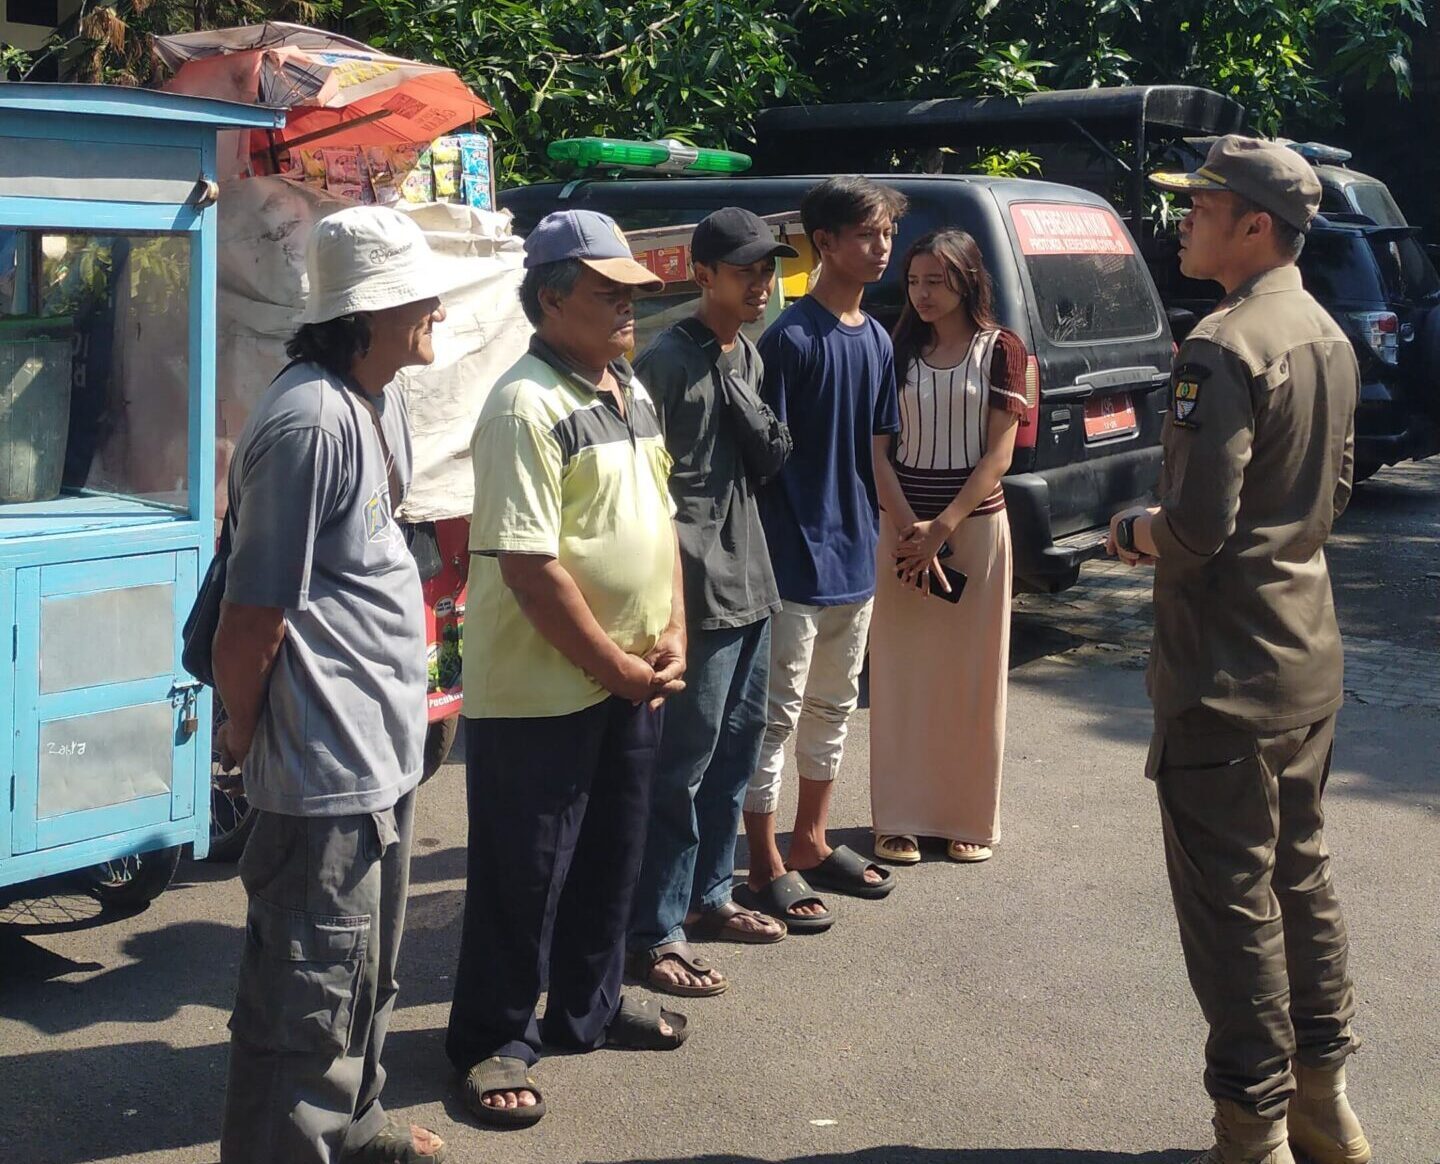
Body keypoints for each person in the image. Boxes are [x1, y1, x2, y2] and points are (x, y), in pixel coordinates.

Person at [1108, 136, 1366, 1164]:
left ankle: (1250, 1131)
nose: (1186, 220)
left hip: (1221, 673)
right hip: (1303, 655)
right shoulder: (1324, 330)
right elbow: (1335, 492)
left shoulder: (1223, 343)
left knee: (1232, 911)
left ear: (1255, 224)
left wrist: (1130, 534)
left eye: (1203, 204)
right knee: (1300, 879)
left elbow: (1195, 528)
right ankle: (1324, 1102)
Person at [445, 209, 690, 1128]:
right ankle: (493, 1040)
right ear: (551, 299)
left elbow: (660, 524)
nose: (630, 304)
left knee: (610, 856)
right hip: (543, 690)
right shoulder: (524, 404)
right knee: (524, 875)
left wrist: (671, 633)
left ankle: (587, 1009)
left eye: (632, 290)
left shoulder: (625, 389)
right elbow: (529, 566)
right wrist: (617, 667)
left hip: (629, 676)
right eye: (607, 291)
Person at [215, 206, 448, 1164]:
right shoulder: (311, 421)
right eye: (420, 294)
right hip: (322, 774)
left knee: (367, 980)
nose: (438, 305)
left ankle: (357, 1134)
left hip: (375, 759)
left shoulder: (373, 396)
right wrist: (237, 739)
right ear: (372, 309)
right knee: (306, 1006)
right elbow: (252, 617)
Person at [626, 208, 798, 997]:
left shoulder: (749, 356)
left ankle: (709, 896)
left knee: (737, 754)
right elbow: (644, 493)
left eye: (768, 270)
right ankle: (654, 930)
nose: (761, 284)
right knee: (682, 767)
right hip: (693, 590)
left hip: (752, 577)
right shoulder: (665, 363)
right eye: (746, 271)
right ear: (703, 276)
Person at [734, 176, 908, 930]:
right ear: (825, 242)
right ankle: (764, 859)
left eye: (888, 235)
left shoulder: (875, 337)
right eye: (866, 234)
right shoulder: (789, 340)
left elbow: (877, 451)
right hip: (789, 557)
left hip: (853, 556)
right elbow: (758, 459)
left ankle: (811, 840)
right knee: (775, 718)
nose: (880, 248)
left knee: (835, 707)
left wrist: (896, 531)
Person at [869, 230, 1028, 866]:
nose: (923, 293)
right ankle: (898, 817)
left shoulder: (1003, 350)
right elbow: (876, 449)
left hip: (976, 530)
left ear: (967, 279)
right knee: (902, 675)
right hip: (899, 528)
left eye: (937, 280)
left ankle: (969, 816)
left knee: (972, 677)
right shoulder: (894, 347)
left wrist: (942, 528)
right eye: (914, 281)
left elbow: (1000, 452)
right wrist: (910, 527)